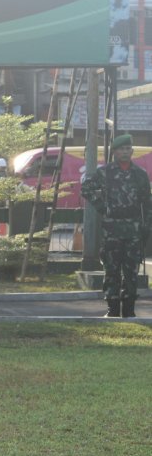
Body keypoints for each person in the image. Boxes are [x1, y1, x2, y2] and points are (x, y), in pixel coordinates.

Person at [81, 134, 152, 318]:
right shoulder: (105, 172)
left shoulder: (140, 174)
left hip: (133, 230)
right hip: (111, 229)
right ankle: (112, 309)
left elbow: (147, 202)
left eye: (128, 149)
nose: (125, 152)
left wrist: (147, 226)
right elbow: (86, 188)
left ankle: (129, 310)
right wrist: (102, 207)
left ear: (132, 151)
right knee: (111, 270)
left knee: (131, 271)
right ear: (114, 152)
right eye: (121, 149)